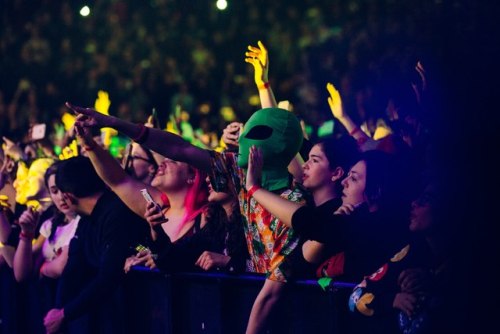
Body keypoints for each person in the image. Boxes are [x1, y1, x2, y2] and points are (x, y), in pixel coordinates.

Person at [66, 50, 306, 332]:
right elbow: (179, 147)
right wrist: (115, 123)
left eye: (253, 135)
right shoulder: (236, 173)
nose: (242, 141)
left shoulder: (293, 201)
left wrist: (230, 263)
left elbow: (273, 288)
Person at [43, 156, 149, 334]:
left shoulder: (117, 213)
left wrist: (64, 314)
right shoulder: (86, 220)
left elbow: (108, 276)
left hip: (136, 318)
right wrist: (58, 312)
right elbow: (73, 267)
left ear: (68, 196)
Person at [348, 182, 450, 333]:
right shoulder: (409, 254)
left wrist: (435, 280)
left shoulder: (476, 260)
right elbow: (354, 298)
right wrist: (393, 300)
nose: (414, 203)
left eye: (427, 199)